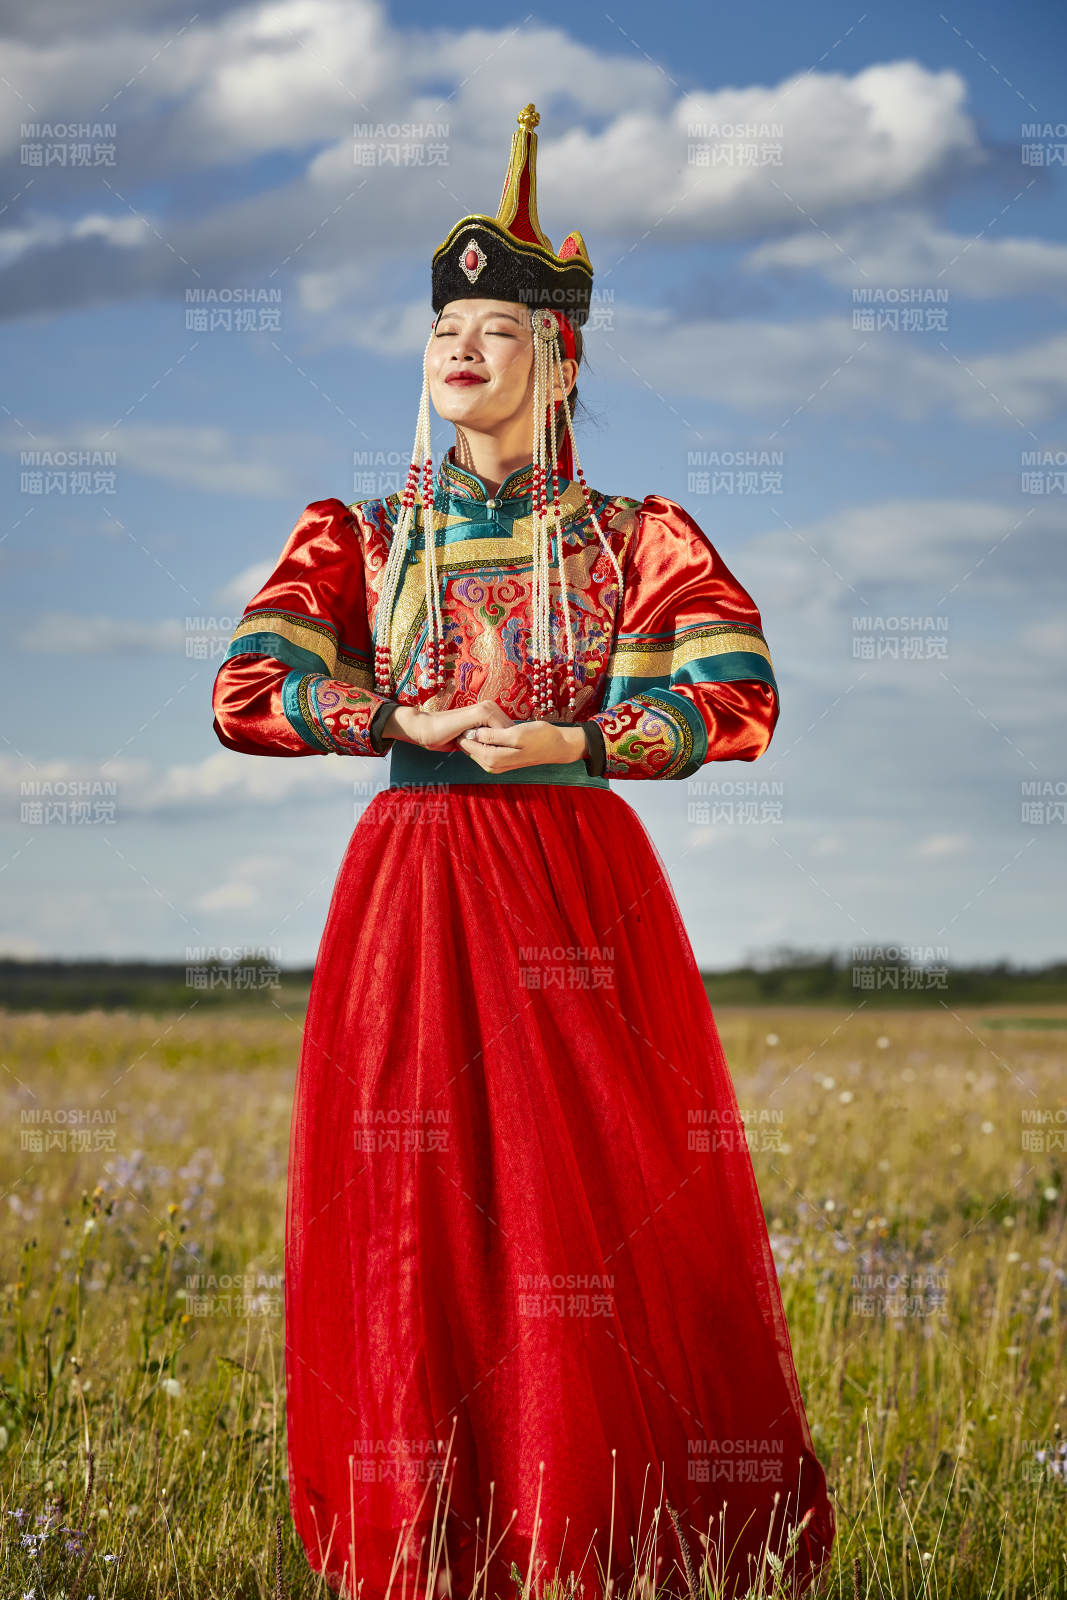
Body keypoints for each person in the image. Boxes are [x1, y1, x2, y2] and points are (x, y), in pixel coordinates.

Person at [212, 103, 835, 1600]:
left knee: (591, 1200)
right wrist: (388, 707)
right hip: (415, 888)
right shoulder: (359, 534)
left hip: (571, 877)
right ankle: (429, 1539)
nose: (466, 346)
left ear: (562, 358)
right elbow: (246, 688)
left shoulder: (635, 534)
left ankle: (604, 1527)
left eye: (501, 324)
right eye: (451, 326)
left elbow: (737, 694)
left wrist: (576, 742)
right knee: (413, 1203)